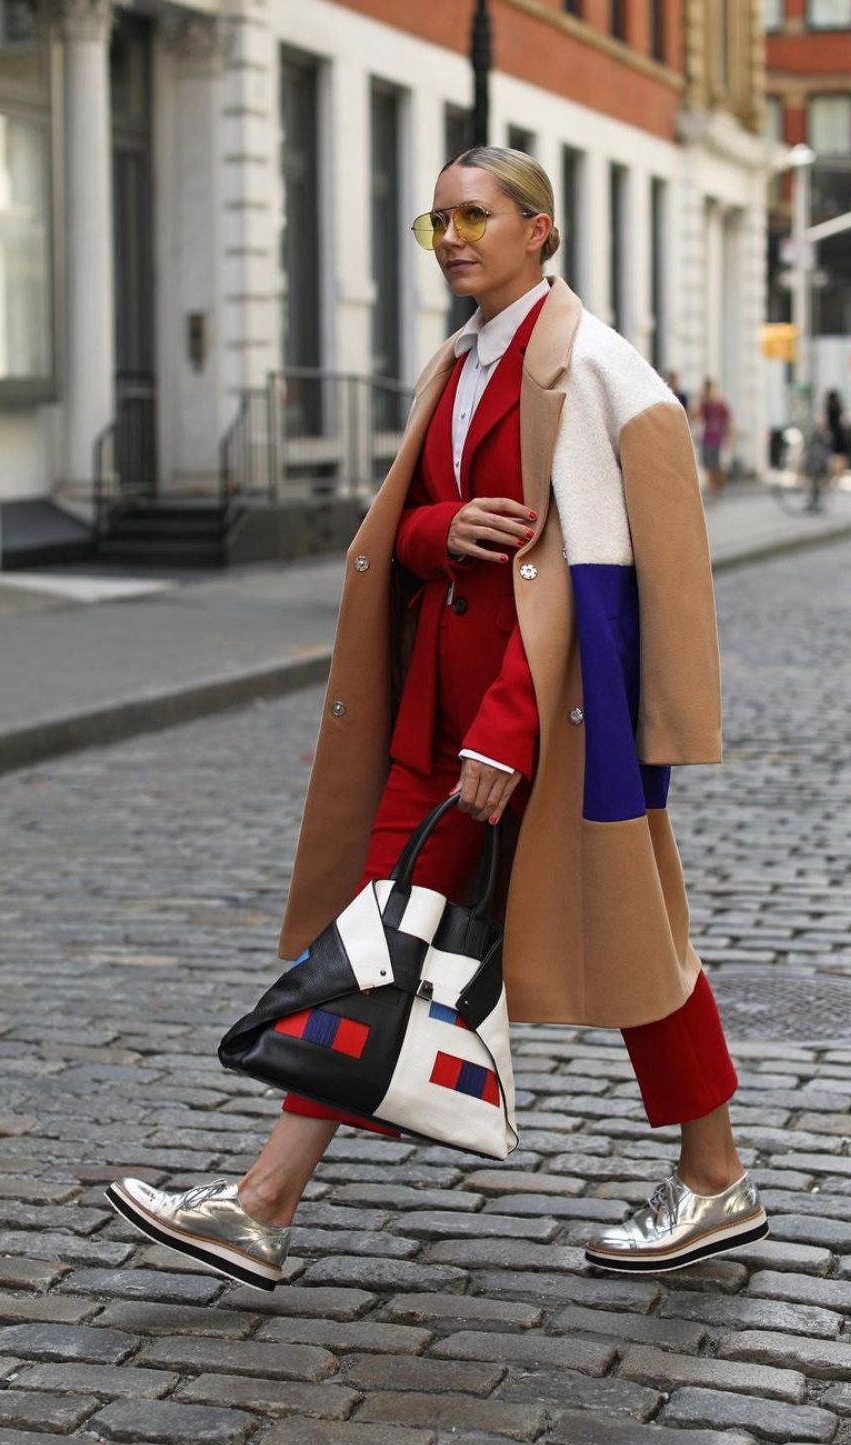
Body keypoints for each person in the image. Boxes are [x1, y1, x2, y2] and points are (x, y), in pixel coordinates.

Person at [105, 146, 767, 1290]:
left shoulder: (600, 371)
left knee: (634, 943)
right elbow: (415, 527)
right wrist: (438, 530)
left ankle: (712, 1179)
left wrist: (507, 734)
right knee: (380, 931)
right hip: (437, 715)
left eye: (476, 216)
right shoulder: (455, 364)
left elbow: (591, 575)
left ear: (539, 231)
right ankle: (263, 1203)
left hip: (543, 728)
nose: (453, 237)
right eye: (436, 222)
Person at [694, 378, 732, 498]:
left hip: (718, 439)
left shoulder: (721, 405)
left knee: (717, 467)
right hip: (706, 439)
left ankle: (719, 486)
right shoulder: (704, 405)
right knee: (708, 467)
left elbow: (729, 421)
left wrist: (729, 437)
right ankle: (712, 493)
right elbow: (694, 417)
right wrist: (698, 400)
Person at [824, 389, 851, 478]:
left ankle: (837, 472)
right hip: (837, 434)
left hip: (835, 434)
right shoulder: (836, 408)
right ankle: (837, 472)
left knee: (837, 455)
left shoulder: (830, 409)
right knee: (837, 455)